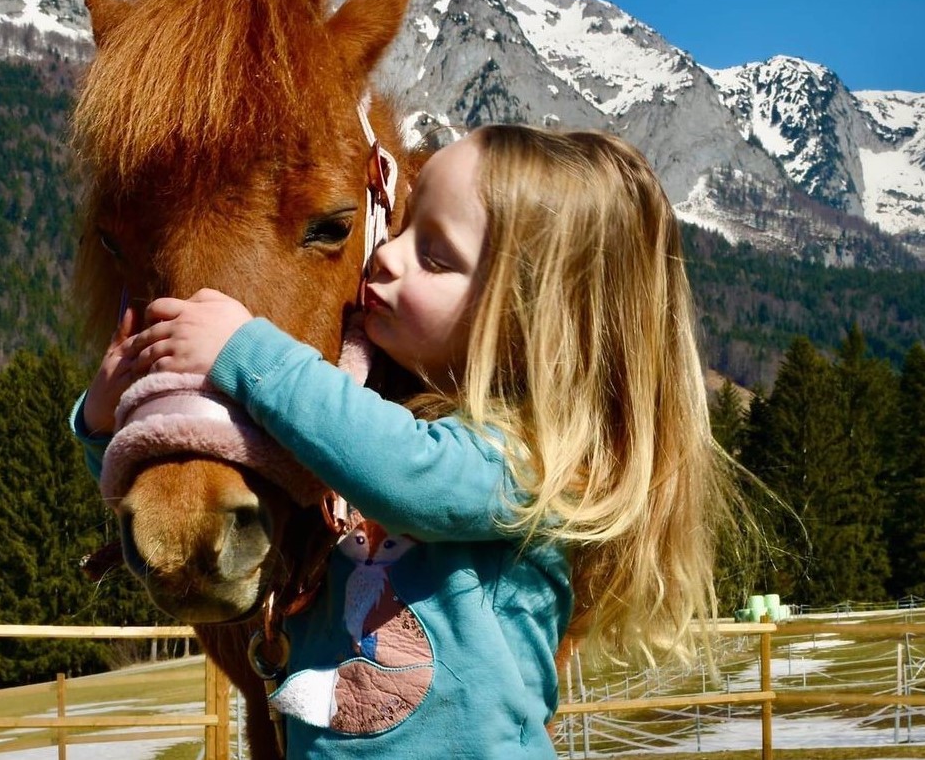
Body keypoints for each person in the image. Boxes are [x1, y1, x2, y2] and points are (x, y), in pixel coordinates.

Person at [73, 125, 736, 758]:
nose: (385, 254)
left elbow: (409, 472)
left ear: (530, 319)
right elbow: (262, 468)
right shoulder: (366, 437)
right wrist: (109, 425)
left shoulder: (525, 463)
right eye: (401, 226)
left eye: (434, 256)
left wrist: (245, 349)